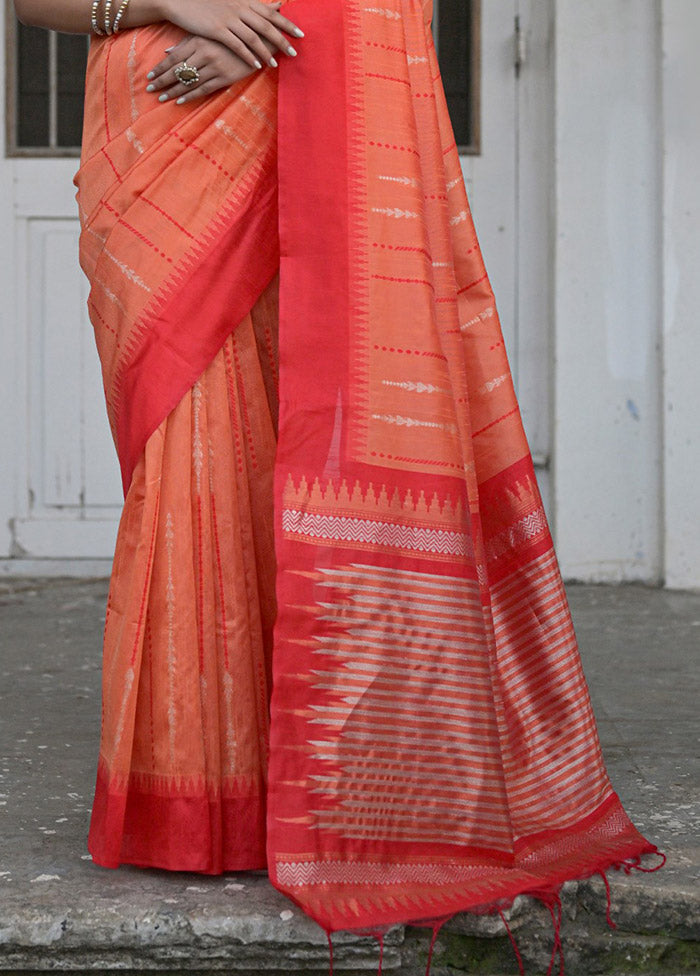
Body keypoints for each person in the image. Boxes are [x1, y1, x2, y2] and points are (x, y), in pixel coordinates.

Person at [13, 0, 663, 969]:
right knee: (190, 451)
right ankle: (199, 799)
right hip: (160, 136)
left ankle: (327, 783)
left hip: (290, 124)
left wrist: (268, 42)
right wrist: (174, 5)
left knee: (305, 440)